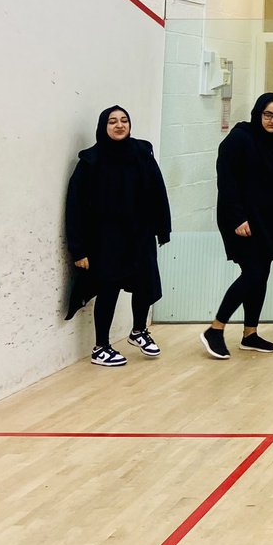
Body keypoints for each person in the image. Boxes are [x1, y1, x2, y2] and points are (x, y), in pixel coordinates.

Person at [65, 106, 171, 367]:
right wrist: (78, 251)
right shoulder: (90, 162)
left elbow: (158, 190)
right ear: (103, 127)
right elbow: (75, 208)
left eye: (124, 120)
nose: (119, 125)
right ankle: (100, 347)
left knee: (145, 283)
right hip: (106, 239)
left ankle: (138, 331)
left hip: (140, 234)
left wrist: (163, 227)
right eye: (113, 121)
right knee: (108, 289)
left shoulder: (142, 154)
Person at [200, 92, 273, 359]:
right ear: (258, 113)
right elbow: (227, 181)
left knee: (261, 275)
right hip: (243, 219)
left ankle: (250, 334)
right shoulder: (240, 138)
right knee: (253, 273)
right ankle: (216, 328)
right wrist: (237, 219)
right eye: (268, 114)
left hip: (270, 218)